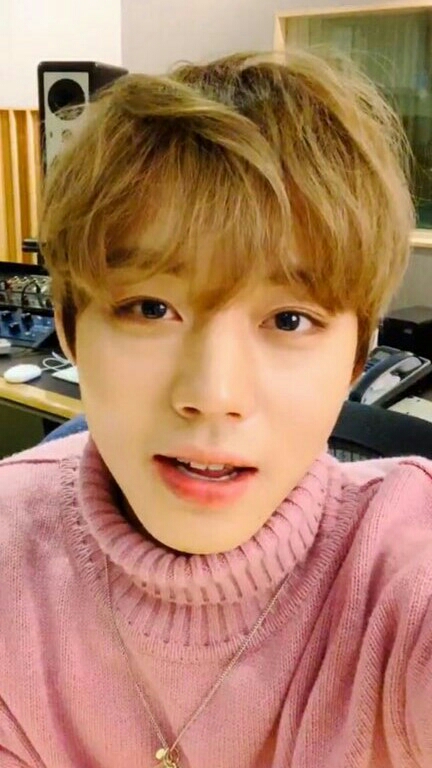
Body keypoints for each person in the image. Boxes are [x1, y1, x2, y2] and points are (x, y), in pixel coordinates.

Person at [0, 47, 431, 768]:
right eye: (151, 307)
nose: (213, 395)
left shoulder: (404, 568)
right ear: (69, 326)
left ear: (358, 358)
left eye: (289, 319)